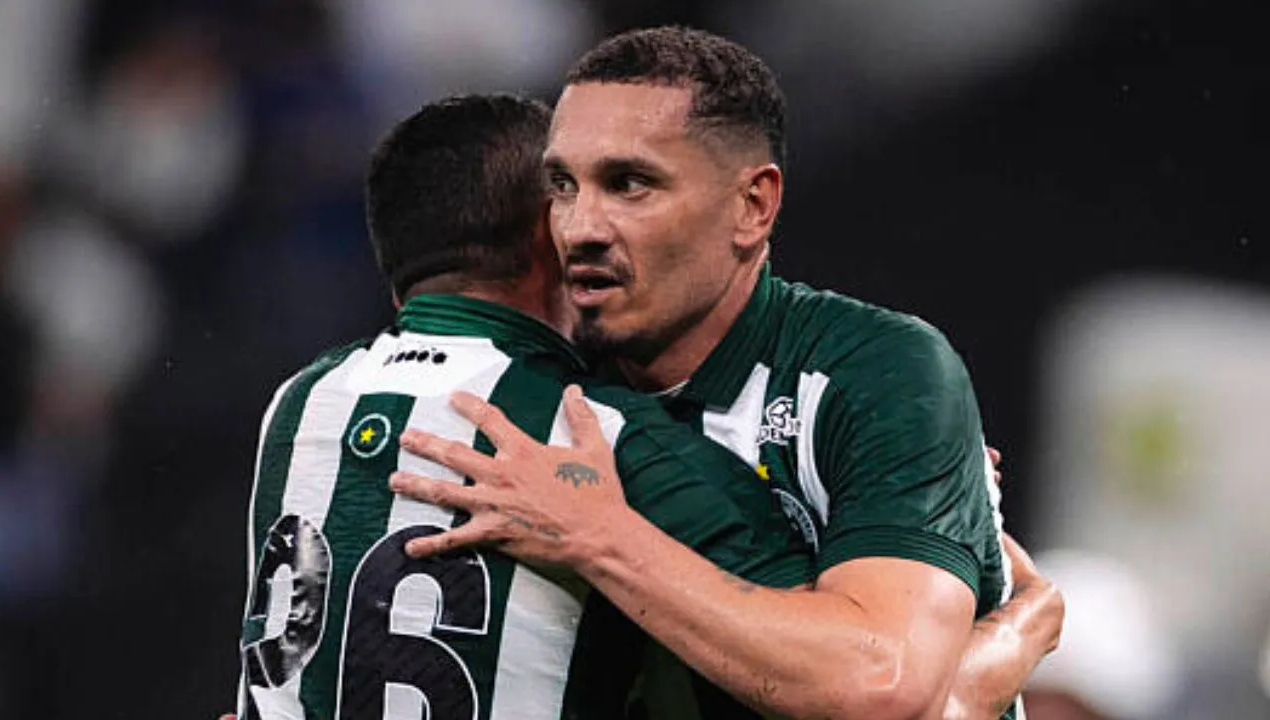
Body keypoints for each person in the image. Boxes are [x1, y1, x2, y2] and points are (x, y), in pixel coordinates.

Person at [390, 27, 1063, 720]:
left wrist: (600, 538)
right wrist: (998, 654)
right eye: (563, 185)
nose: (579, 227)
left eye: (629, 184)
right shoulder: (538, 391)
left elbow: (881, 685)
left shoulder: (877, 374)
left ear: (753, 206)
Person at [234, 94, 813, 720]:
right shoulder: (597, 434)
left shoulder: (298, 406)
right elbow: (825, 668)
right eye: (576, 195)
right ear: (550, 233)